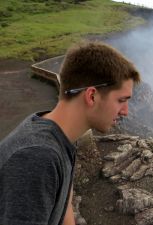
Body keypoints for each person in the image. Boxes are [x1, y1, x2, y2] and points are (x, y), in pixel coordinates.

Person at [0, 41, 141, 225]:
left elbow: (65, 201)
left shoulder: (62, 134)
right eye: (121, 100)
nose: (125, 111)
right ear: (91, 96)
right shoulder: (37, 158)